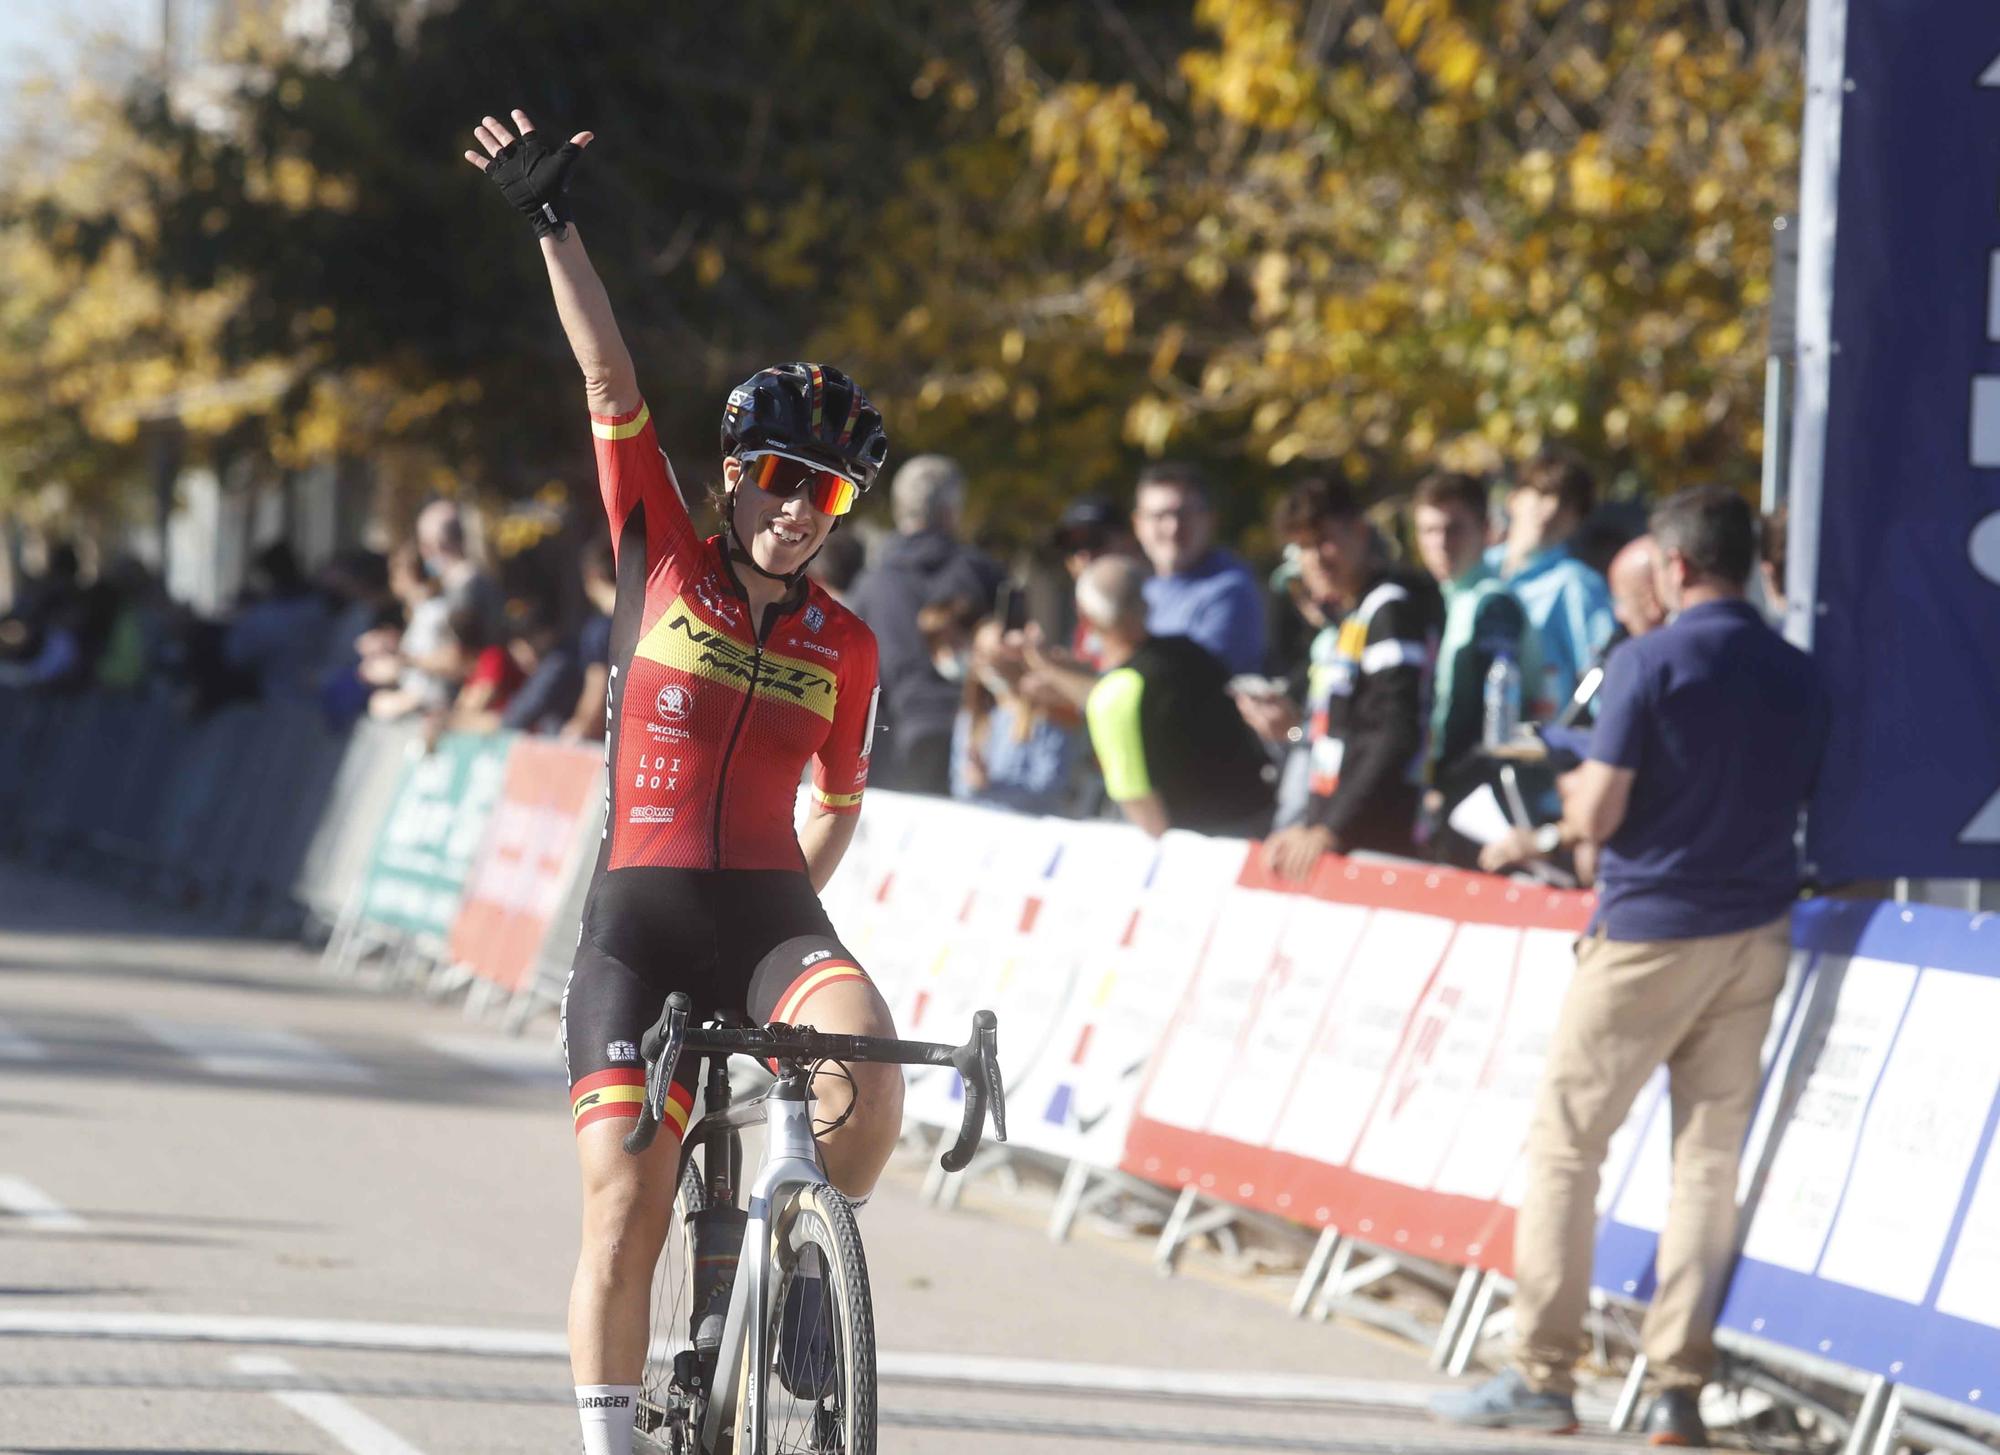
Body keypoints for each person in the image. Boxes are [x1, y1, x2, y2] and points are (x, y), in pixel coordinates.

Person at [465, 107, 901, 1455]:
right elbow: (609, 379)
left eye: (821, 496)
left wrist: (797, 908)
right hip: (639, 920)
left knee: (870, 1075)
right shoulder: (662, 551)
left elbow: (840, 798)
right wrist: (555, 224)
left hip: (767, 910)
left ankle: (805, 1268)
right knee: (625, 1204)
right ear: (731, 475)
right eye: (776, 478)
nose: (791, 508)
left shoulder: (850, 642)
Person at [1435, 486, 1829, 1447]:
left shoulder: (1649, 661)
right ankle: (1675, 1389)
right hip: (1757, 929)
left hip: (1650, 928)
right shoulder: (1800, 671)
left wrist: (1564, 800)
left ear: (1678, 566)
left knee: (1569, 1144)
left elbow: (1598, 816)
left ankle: (1545, 1369)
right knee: (1705, 1163)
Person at [1253, 479, 1442, 880]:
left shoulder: (1389, 609)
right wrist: (1306, 826)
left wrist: (1330, 828)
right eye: (1302, 547)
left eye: (1324, 541)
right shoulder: (1349, 617)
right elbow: (1328, 735)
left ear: (1358, 531)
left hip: (1379, 841)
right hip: (1338, 835)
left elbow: (1394, 732)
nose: (1315, 559)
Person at [1077, 555, 1272, 837]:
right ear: (1145, 604)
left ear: (1085, 619)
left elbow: (1142, 808)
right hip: (1258, 823)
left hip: (1196, 848)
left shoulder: (1113, 694)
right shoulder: (1190, 651)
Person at [845, 454, 1003, 794]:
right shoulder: (983, 575)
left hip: (890, 749)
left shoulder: (871, 585)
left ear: (900, 508)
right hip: (977, 749)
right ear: (950, 511)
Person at [1410, 471, 1532, 784]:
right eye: (1429, 530)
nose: (1441, 543)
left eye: (1454, 529)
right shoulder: (1436, 599)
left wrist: (1447, 786)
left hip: (1475, 789)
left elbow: (1491, 719)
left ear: (1486, 530)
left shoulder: (1493, 603)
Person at [1488, 447, 1615, 715]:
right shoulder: (1479, 571)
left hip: (1539, 746)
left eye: (1566, 505)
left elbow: (1603, 680)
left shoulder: (1577, 583)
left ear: (1578, 522)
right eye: (1543, 494)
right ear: (1513, 500)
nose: (1551, 510)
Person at [1131, 461, 1267, 675]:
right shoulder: (1141, 590)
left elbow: (1190, 688)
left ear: (1211, 520)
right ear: (1138, 524)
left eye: (1185, 514)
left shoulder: (1229, 592)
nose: (1173, 527)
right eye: (1159, 516)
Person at [950, 619, 1080, 816]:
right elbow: (959, 785)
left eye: (994, 655)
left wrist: (992, 787)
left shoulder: (1049, 715)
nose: (987, 664)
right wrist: (975, 782)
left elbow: (1052, 790)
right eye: (980, 655)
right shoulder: (973, 717)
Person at [558, 538, 617, 741]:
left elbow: (597, 686)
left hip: (610, 738)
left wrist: (579, 727)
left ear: (592, 577)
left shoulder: (599, 630)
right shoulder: (645, 620)